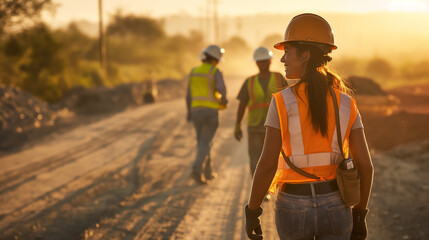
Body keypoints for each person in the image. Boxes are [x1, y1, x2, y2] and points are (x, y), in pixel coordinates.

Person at [244, 13, 374, 240]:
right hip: (336, 203)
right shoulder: (346, 103)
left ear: (304, 55)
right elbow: (366, 166)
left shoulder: (281, 102)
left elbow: (266, 165)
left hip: (293, 207)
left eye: (287, 53)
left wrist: (252, 211)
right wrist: (360, 214)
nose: (283, 60)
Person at [234, 47, 287, 180]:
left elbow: (289, 100)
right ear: (256, 63)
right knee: (255, 158)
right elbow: (242, 104)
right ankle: (258, 186)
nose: (263, 64)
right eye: (260, 61)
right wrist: (237, 124)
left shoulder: (279, 77)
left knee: (274, 159)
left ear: (270, 61)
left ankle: (269, 185)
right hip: (255, 127)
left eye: (265, 61)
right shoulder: (249, 81)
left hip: (275, 126)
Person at [186, 45, 228, 185]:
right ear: (216, 59)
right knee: (206, 142)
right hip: (211, 113)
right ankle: (196, 169)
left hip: (196, 111)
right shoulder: (215, 71)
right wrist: (224, 101)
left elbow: (188, 95)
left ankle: (208, 172)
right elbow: (221, 89)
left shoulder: (194, 71)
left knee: (203, 142)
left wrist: (189, 112)